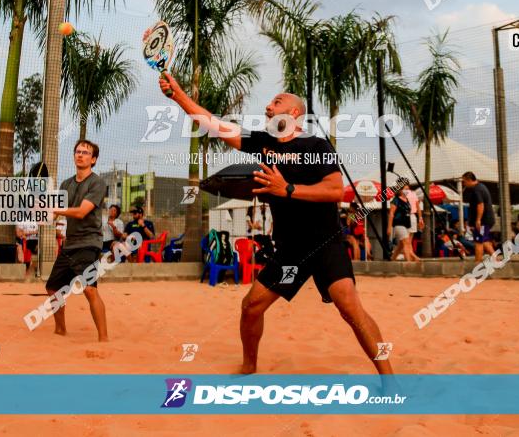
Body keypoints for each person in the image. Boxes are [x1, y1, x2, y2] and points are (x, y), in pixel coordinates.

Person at [159, 71, 393, 375]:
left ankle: (389, 378)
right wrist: (177, 93)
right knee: (250, 307)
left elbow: (335, 190)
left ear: (293, 113)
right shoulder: (263, 143)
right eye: (269, 101)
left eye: (277, 101)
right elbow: (212, 123)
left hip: (324, 242)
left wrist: (288, 190)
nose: (269, 105)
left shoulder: (316, 147)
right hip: (289, 249)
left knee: (349, 307)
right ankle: (248, 368)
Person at [47, 139, 109, 341]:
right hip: (70, 243)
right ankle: (60, 329)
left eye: (85, 152)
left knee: (89, 289)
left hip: (89, 242)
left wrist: (55, 210)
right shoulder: (66, 184)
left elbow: (82, 212)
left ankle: (103, 338)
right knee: (53, 288)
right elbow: (56, 213)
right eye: (77, 151)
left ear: (94, 159)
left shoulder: (97, 183)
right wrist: (44, 214)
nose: (80, 155)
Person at [461, 171, 495, 262]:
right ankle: (496, 259)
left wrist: (478, 220)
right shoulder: (481, 186)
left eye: (464, 181)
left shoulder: (477, 190)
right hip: (486, 220)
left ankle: (477, 264)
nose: (463, 184)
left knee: (478, 242)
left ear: (469, 180)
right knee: (484, 241)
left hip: (483, 221)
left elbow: (480, 205)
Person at [389, 187, 419, 262]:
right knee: (406, 242)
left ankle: (392, 258)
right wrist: (389, 227)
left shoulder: (407, 201)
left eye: (408, 189)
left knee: (401, 244)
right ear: (400, 190)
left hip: (406, 224)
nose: (407, 190)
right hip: (398, 223)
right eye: (405, 189)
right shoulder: (396, 200)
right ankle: (409, 263)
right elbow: (391, 214)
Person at [404, 184, 424, 254]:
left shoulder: (403, 194)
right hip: (413, 217)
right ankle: (410, 254)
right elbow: (418, 207)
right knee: (410, 239)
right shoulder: (413, 194)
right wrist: (420, 219)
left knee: (406, 240)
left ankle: (409, 255)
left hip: (405, 216)